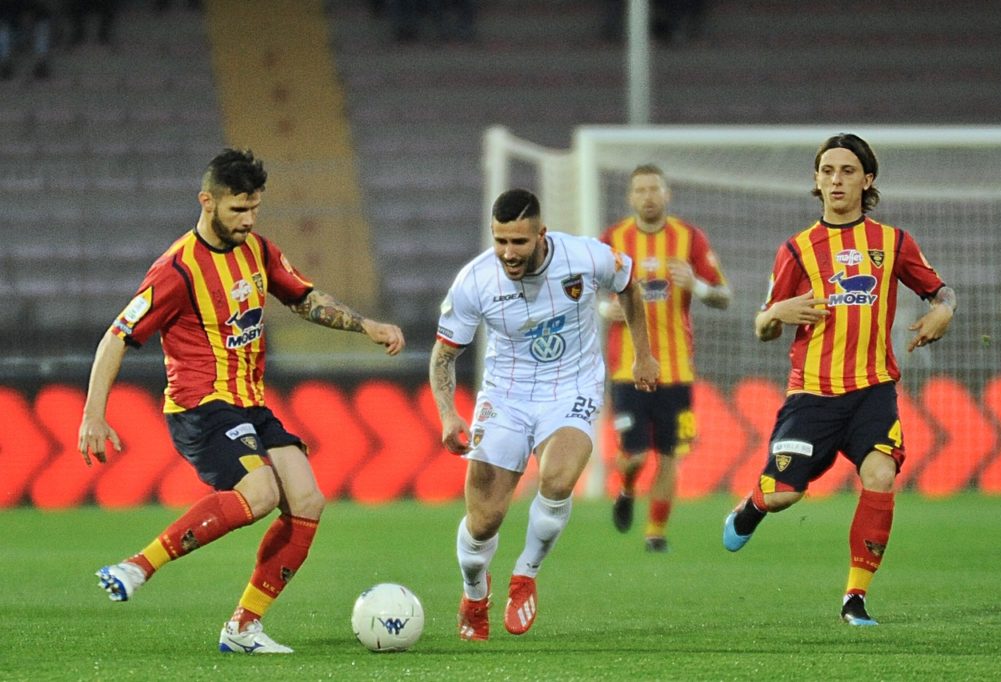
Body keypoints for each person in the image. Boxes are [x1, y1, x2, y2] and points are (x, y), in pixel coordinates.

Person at [78, 148, 405, 654]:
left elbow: (304, 298)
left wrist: (366, 326)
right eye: (238, 209)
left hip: (249, 404)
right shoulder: (176, 270)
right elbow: (116, 336)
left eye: (254, 208)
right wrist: (93, 415)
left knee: (307, 501)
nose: (248, 220)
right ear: (207, 202)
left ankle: (243, 628)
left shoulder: (258, 251)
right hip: (200, 407)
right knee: (261, 492)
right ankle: (138, 566)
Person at [722, 133, 956, 626]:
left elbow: (941, 291)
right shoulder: (797, 250)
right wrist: (775, 313)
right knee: (785, 494)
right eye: (827, 171)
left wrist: (944, 311)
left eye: (847, 171)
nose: (836, 180)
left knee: (880, 476)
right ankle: (752, 508)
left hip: (873, 390)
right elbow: (763, 327)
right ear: (816, 179)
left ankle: (855, 598)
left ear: (867, 180)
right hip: (812, 394)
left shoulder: (893, 243)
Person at [430, 188, 659, 640]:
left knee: (557, 478)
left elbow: (629, 284)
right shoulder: (475, 280)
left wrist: (643, 354)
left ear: (541, 235)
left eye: (519, 241)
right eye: (500, 241)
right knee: (484, 520)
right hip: (506, 395)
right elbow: (443, 355)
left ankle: (525, 574)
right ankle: (474, 592)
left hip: (572, 387)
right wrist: (448, 415)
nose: (508, 253)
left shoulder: (584, 257)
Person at [600, 164, 731, 552]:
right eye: (640, 190)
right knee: (636, 455)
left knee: (670, 455)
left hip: (677, 370)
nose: (648, 196)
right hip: (629, 368)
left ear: (667, 194)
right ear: (630, 197)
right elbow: (585, 291)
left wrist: (698, 286)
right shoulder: (613, 239)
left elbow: (724, 296)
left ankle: (655, 533)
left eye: (654, 189)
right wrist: (605, 308)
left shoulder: (689, 238)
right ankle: (626, 488)